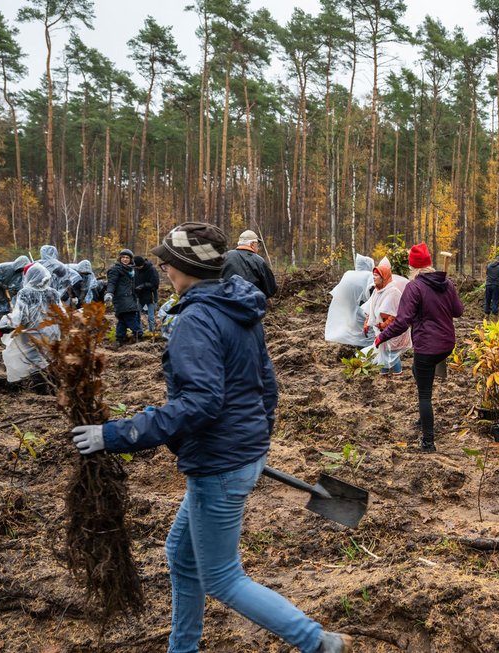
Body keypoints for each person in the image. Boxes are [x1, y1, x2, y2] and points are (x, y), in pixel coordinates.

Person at [68, 222, 353, 653]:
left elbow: (198, 404)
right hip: (239, 452)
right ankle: (183, 648)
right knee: (182, 556)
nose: (164, 270)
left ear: (183, 268)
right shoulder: (238, 308)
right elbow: (266, 385)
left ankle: (320, 642)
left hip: (219, 463)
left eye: (168, 263)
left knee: (222, 577)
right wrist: (254, 440)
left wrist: (115, 434)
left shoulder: (196, 319)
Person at [374, 243, 464, 453]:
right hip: (446, 344)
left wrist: (382, 337)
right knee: (418, 372)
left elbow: (403, 320)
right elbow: (458, 311)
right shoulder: (446, 283)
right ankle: (424, 418)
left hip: (427, 346)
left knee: (424, 395)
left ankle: (428, 442)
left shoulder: (415, 287)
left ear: (413, 266)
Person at [0, 263, 62, 390]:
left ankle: (42, 392)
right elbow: (62, 315)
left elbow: (18, 317)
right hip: (53, 333)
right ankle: (54, 388)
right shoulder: (54, 293)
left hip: (33, 334)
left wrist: (2, 329)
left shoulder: (25, 293)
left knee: (35, 363)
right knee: (50, 360)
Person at [364, 257, 411, 375]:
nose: (374, 278)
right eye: (373, 275)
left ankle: (397, 374)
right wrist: (367, 322)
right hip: (382, 330)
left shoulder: (393, 292)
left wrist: (383, 326)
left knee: (391, 353)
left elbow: (395, 315)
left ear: (384, 277)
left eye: (377, 275)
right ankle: (383, 373)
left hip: (392, 329)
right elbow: (372, 308)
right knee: (383, 351)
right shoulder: (376, 291)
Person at [324, 255, 376, 349]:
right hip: (365, 312)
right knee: (368, 337)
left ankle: (359, 356)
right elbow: (373, 293)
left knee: (358, 335)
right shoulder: (369, 276)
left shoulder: (348, 274)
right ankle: (366, 358)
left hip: (350, 310)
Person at [222, 229, 278, 299]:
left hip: (225, 305)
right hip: (250, 306)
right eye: (257, 244)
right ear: (252, 245)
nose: (258, 247)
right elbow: (271, 289)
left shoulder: (225, 256)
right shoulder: (259, 261)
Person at [105, 249, 142, 345]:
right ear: (120, 258)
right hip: (122, 298)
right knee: (129, 316)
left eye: (127, 257)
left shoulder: (131, 270)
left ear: (130, 259)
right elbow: (111, 283)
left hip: (131, 297)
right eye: (123, 257)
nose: (125, 259)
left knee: (122, 319)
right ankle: (138, 333)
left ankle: (119, 339)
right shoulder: (115, 269)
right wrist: (109, 293)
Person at [133, 256, 161, 332]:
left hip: (150, 296)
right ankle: (139, 332)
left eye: (139, 266)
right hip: (139, 296)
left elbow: (155, 285)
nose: (138, 268)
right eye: (136, 267)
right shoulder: (135, 269)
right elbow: (134, 281)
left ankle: (151, 332)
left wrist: (143, 286)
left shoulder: (151, 269)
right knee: (137, 315)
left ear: (143, 264)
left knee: (151, 317)